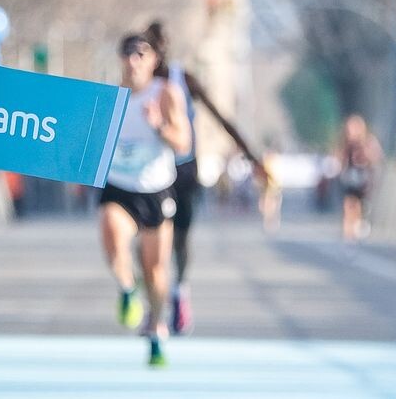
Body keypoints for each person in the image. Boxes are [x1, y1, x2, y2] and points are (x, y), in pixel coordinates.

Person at [139, 21, 269, 336]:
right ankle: (154, 308)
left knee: (180, 241)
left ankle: (179, 292)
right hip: (148, 174)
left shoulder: (184, 80)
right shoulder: (136, 85)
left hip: (183, 173)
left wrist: (253, 158)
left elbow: (222, 118)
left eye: (160, 45)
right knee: (149, 245)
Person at [99, 33, 191, 367]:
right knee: (112, 233)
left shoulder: (166, 93)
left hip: (155, 190)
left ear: (154, 60)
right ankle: (127, 289)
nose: (133, 59)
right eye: (127, 52)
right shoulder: (110, 97)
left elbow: (183, 143)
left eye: (141, 53)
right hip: (119, 186)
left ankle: (156, 330)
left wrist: (159, 125)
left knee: (155, 271)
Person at [337, 115, 382, 243]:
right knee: (349, 203)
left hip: (363, 177)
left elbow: (376, 156)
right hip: (350, 176)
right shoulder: (346, 142)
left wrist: (366, 154)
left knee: (358, 206)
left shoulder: (368, 141)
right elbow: (340, 157)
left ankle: (357, 226)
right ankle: (348, 232)